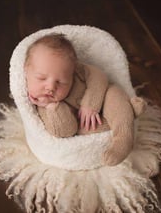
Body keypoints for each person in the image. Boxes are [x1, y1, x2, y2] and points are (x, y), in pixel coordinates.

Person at [24, 33, 146, 166]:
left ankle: (123, 139)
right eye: (41, 78)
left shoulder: (78, 70)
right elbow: (66, 132)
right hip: (83, 122)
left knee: (115, 94)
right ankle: (127, 114)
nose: (51, 87)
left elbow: (99, 78)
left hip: (104, 98)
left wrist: (90, 105)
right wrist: (52, 107)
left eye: (61, 82)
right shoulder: (43, 107)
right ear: (26, 72)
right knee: (85, 128)